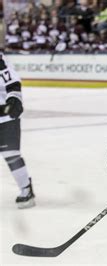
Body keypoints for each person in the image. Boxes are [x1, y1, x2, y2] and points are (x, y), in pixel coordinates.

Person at [0, 53, 35, 209]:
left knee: (11, 155)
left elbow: (12, 81)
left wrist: (14, 97)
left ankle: (26, 188)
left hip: (5, 116)